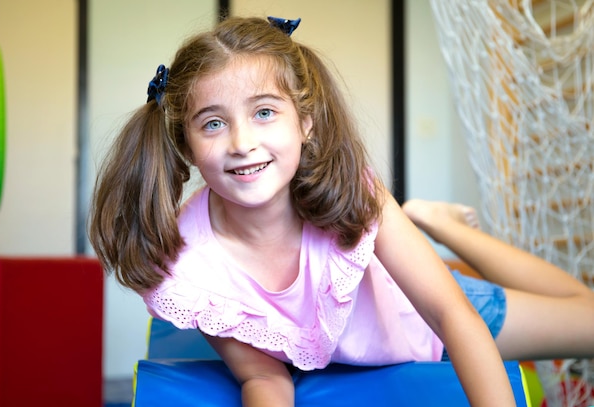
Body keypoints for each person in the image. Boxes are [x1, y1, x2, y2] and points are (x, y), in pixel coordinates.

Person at [88, 16, 594, 407]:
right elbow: (262, 375)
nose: (242, 143)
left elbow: (449, 315)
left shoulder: (351, 191)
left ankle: (442, 227)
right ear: (185, 143)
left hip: (429, 316)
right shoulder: (185, 267)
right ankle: (439, 223)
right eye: (213, 124)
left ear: (305, 122)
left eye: (265, 112)